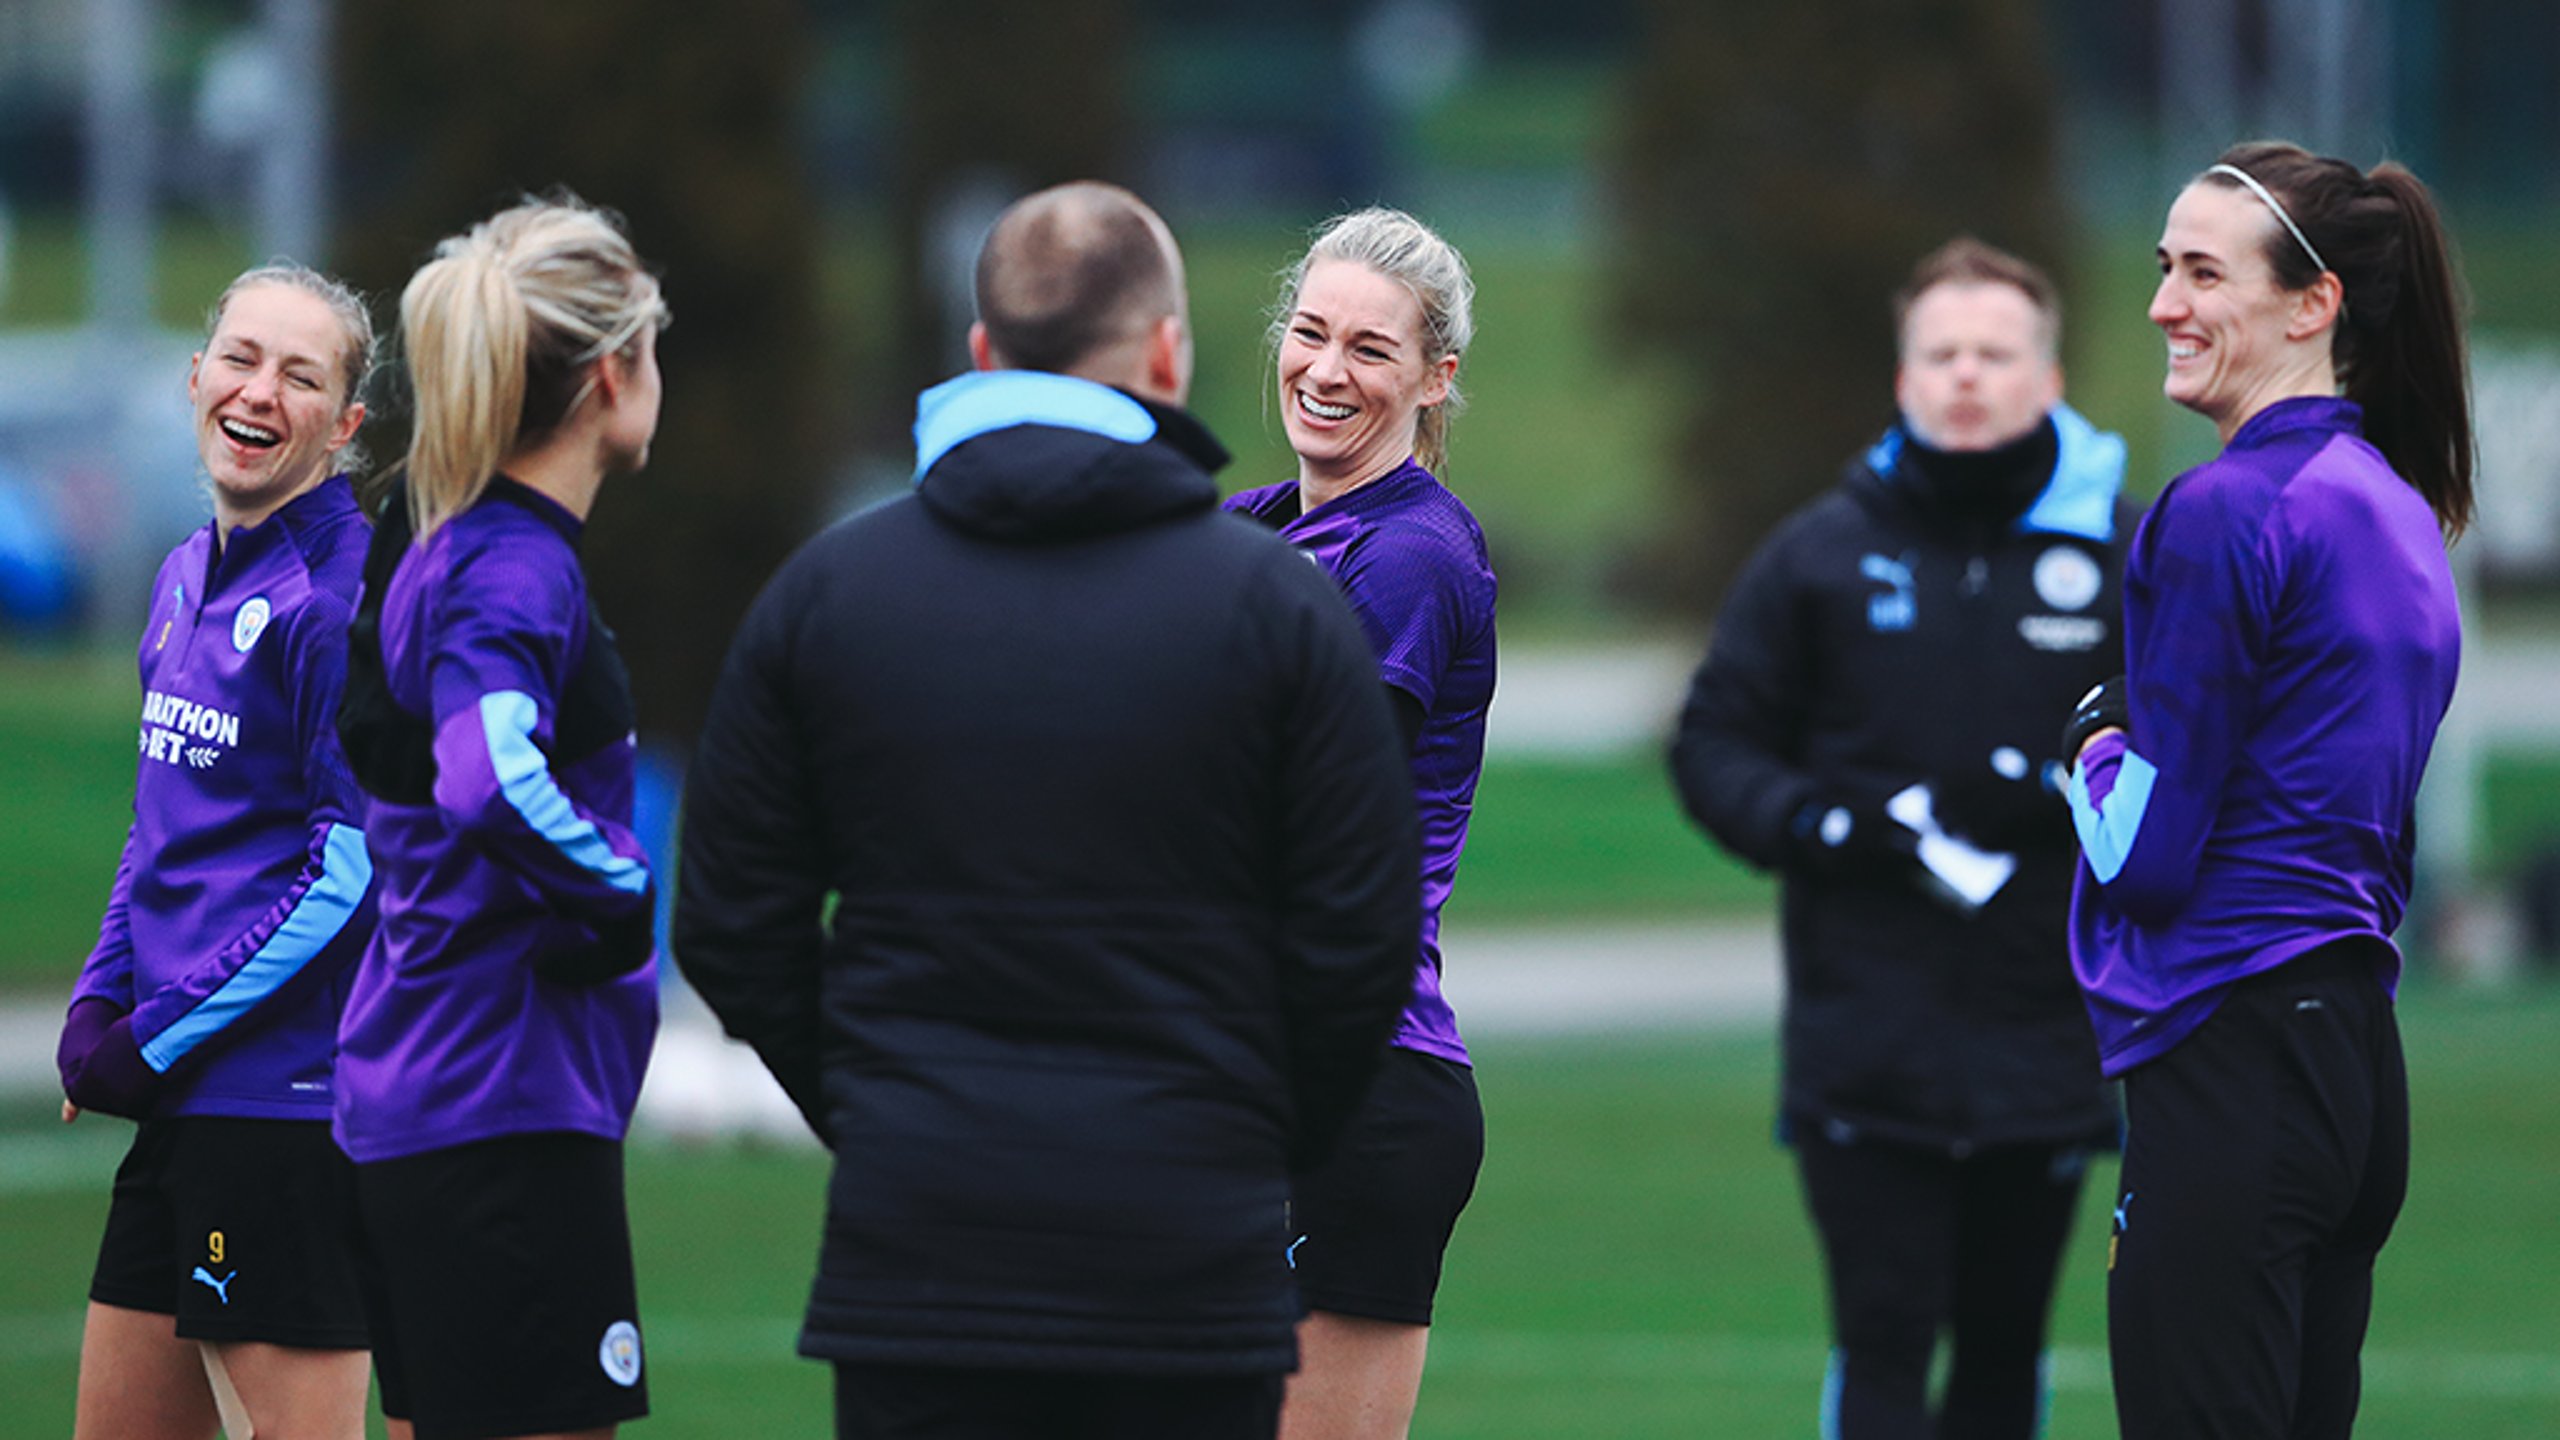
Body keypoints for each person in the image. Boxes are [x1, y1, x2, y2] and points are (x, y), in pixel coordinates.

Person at [671, 180, 1420, 1440]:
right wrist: (1242, 1128)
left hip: (917, 1257)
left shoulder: (830, 594)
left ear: (981, 352)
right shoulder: (1278, 610)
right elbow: (1363, 936)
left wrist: (875, 1102)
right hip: (1188, 1269)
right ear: (1168, 352)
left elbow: (728, 921)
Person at [1670, 236, 2131, 1439]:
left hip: (2050, 1034)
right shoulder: (1817, 554)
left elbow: (2193, 756)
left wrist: (2054, 791)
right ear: (1902, 378)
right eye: (1941, 352)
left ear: (2050, 374)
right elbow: (1712, 748)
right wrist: (1823, 823)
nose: (1966, 376)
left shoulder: (2128, 555)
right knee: (1879, 1346)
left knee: (2002, 1358)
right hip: (1862, 1043)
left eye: (1995, 352)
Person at [2064, 140, 2472, 1439]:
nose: (2161, 304)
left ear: (2314, 304)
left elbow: (2149, 856)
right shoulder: (2398, 504)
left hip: (2232, 1060)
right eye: (2162, 267)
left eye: (2199, 272)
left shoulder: (2224, 509)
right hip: (2355, 1063)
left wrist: (2087, 750)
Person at [332, 194, 668, 1440]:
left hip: (434, 1100)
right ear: (607, 377)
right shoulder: (510, 566)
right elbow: (485, 774)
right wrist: (621, 892)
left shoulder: (448, 540)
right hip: (502, 1111)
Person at [56, 264, 380, 1440]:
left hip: (281, 1114)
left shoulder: (338, 599)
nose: (260, 392)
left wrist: (154, 1034)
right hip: (180, 1096)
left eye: (302, 377)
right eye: (241, 358)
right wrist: (101, 1000)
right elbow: (161, 826)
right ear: (196, 378)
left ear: (344, 427)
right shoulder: (183, 573)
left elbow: (349, 873)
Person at [1222, 206, 1493, 1440]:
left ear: (1436, 379)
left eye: (1371, 350)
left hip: (1358, 1089)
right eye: (1310, 332)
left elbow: (1313, 806)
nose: (1325, 371)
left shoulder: (1413, 556)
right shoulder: (1244, 529)